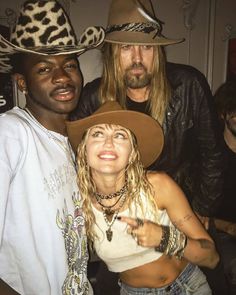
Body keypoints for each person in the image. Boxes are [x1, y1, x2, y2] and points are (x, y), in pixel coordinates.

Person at [69, 0, 226, 293]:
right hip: (123, 218)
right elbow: (72, 153)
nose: (137, 57)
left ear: (159, 53)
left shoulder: (188, 84)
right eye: (127, 48)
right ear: (112, 54)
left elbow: (212, 152)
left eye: (147, 48)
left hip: (184, 205)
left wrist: (202, 208)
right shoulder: (93, 96)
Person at [0, 0, 104, 294]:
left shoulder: (73, 144)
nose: (62, 77)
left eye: (70, 65)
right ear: (22, 82)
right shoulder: (10, 132)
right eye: (45, 69)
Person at [66, 100, 219, 295]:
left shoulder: (157, 186)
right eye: (97, 134)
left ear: (132, 153)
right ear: (84, 150)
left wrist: (164, 238)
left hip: (187, 287)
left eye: (120, 135)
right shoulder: (77, 199)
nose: (108, 142)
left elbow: (211, 257)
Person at [213, 80, 236, 295]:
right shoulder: (211, 157)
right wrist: (228, 227)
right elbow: (192, 212)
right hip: (219, 234)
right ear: (222, 113)